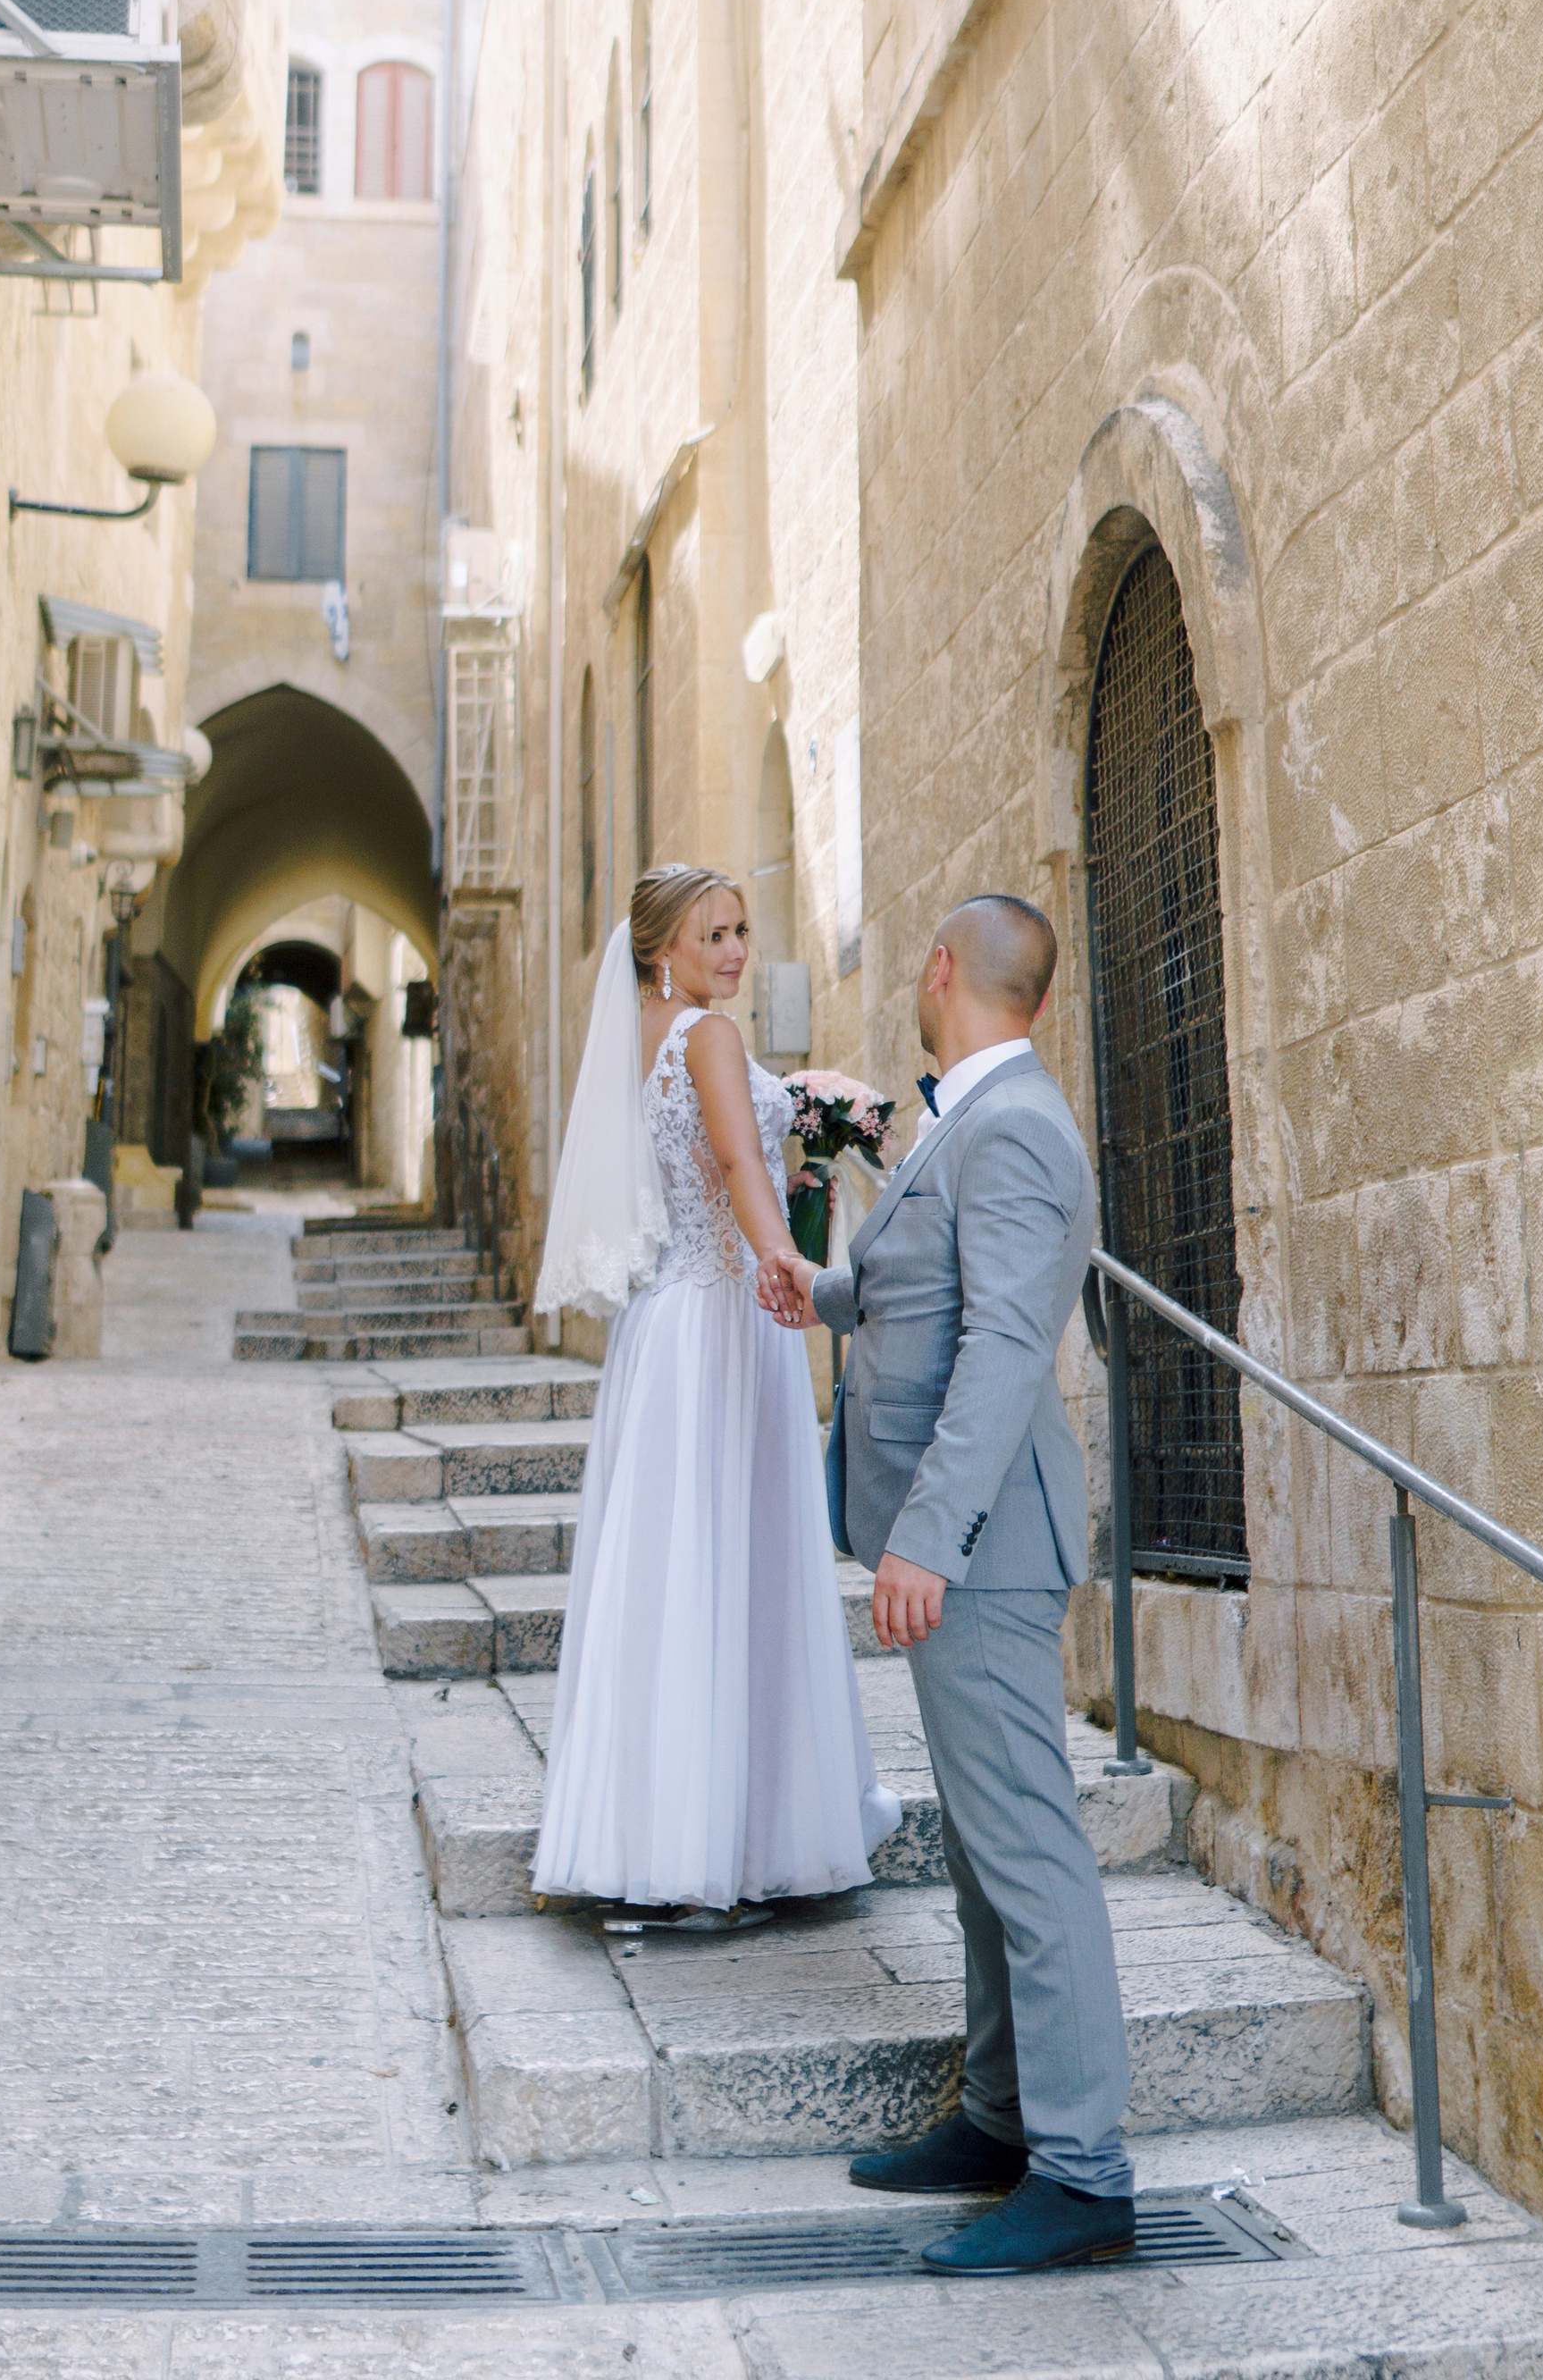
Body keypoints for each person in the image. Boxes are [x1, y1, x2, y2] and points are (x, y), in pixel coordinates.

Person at [759, 893, 1136, 2275]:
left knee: (1027, 1853)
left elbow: (1001, 1349)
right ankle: (998, 2115)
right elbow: (926, 1283)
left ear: (939, 974)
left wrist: (927, 1536)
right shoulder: (968, 1117)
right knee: (982, 1853)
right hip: (953, 1537)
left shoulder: (1019, 1126)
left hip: (978, 1546)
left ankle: (1085, 2172)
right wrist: (823, 1290)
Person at [532, 862, 900, 1919]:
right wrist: (787, 1261)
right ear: (662, 950)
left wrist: (811, 1120)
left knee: (671, 1574)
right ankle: (747, 1832)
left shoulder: (638, 1038)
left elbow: (699, 1161)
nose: (735, 951)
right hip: (728, 1321)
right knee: (738, 1561)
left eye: (741, 930)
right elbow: (740, 1163)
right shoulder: (708, 1037)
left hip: (663, 1331)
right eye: (714, 936)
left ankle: (654, 1833)